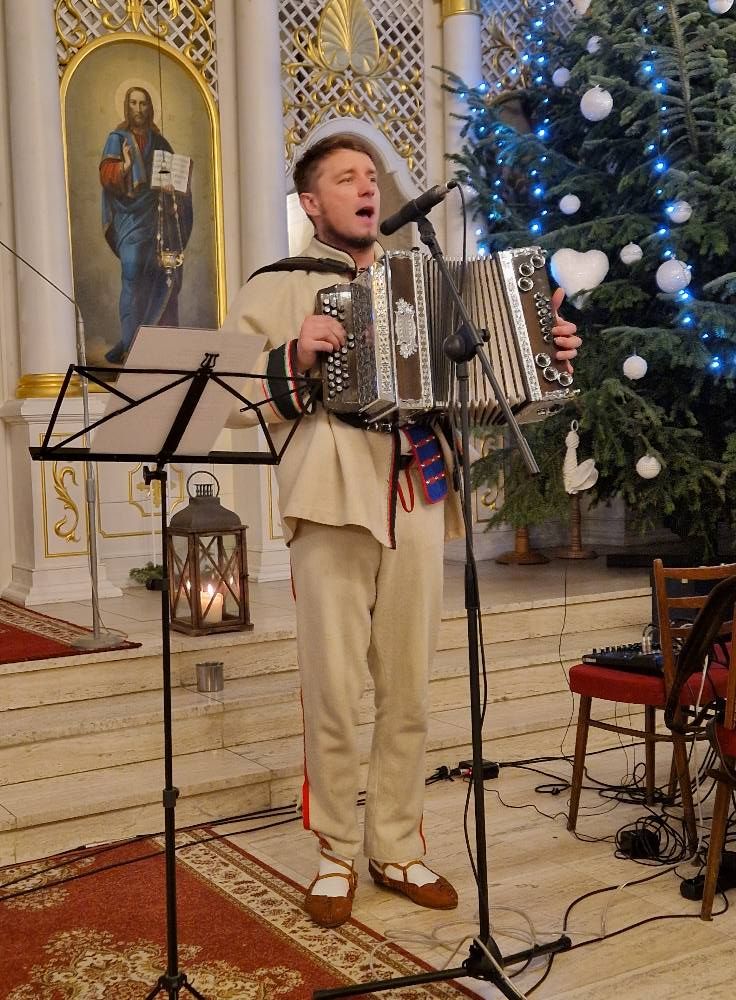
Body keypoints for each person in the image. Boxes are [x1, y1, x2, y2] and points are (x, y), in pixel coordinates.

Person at [224, 134, 581, 928]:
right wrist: (294, 355)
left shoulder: (425, 280)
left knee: (409, 687)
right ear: (310, 202)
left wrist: (543, 359)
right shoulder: (278, 284)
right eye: (344, 178)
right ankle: (333, 854)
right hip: (330, 496)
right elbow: (230, 395)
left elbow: (480, 385)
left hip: (417, 491)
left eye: (369, 177)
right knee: (333, 689)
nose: (365, 188)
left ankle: (395, 845)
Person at [99, 86, 193, 364]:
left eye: (143, 104)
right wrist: (126, 165)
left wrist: (175, 189)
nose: (138, 109)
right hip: (130, 219)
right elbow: (107, 176)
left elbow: (177, 182)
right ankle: (130, 346)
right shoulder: (117, 139)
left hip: (158, 220)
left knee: (162, 277)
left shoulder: (160, 142)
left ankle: (158, 347)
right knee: (132, 277)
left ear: (150, 108)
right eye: (133, 103)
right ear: (126, 107)